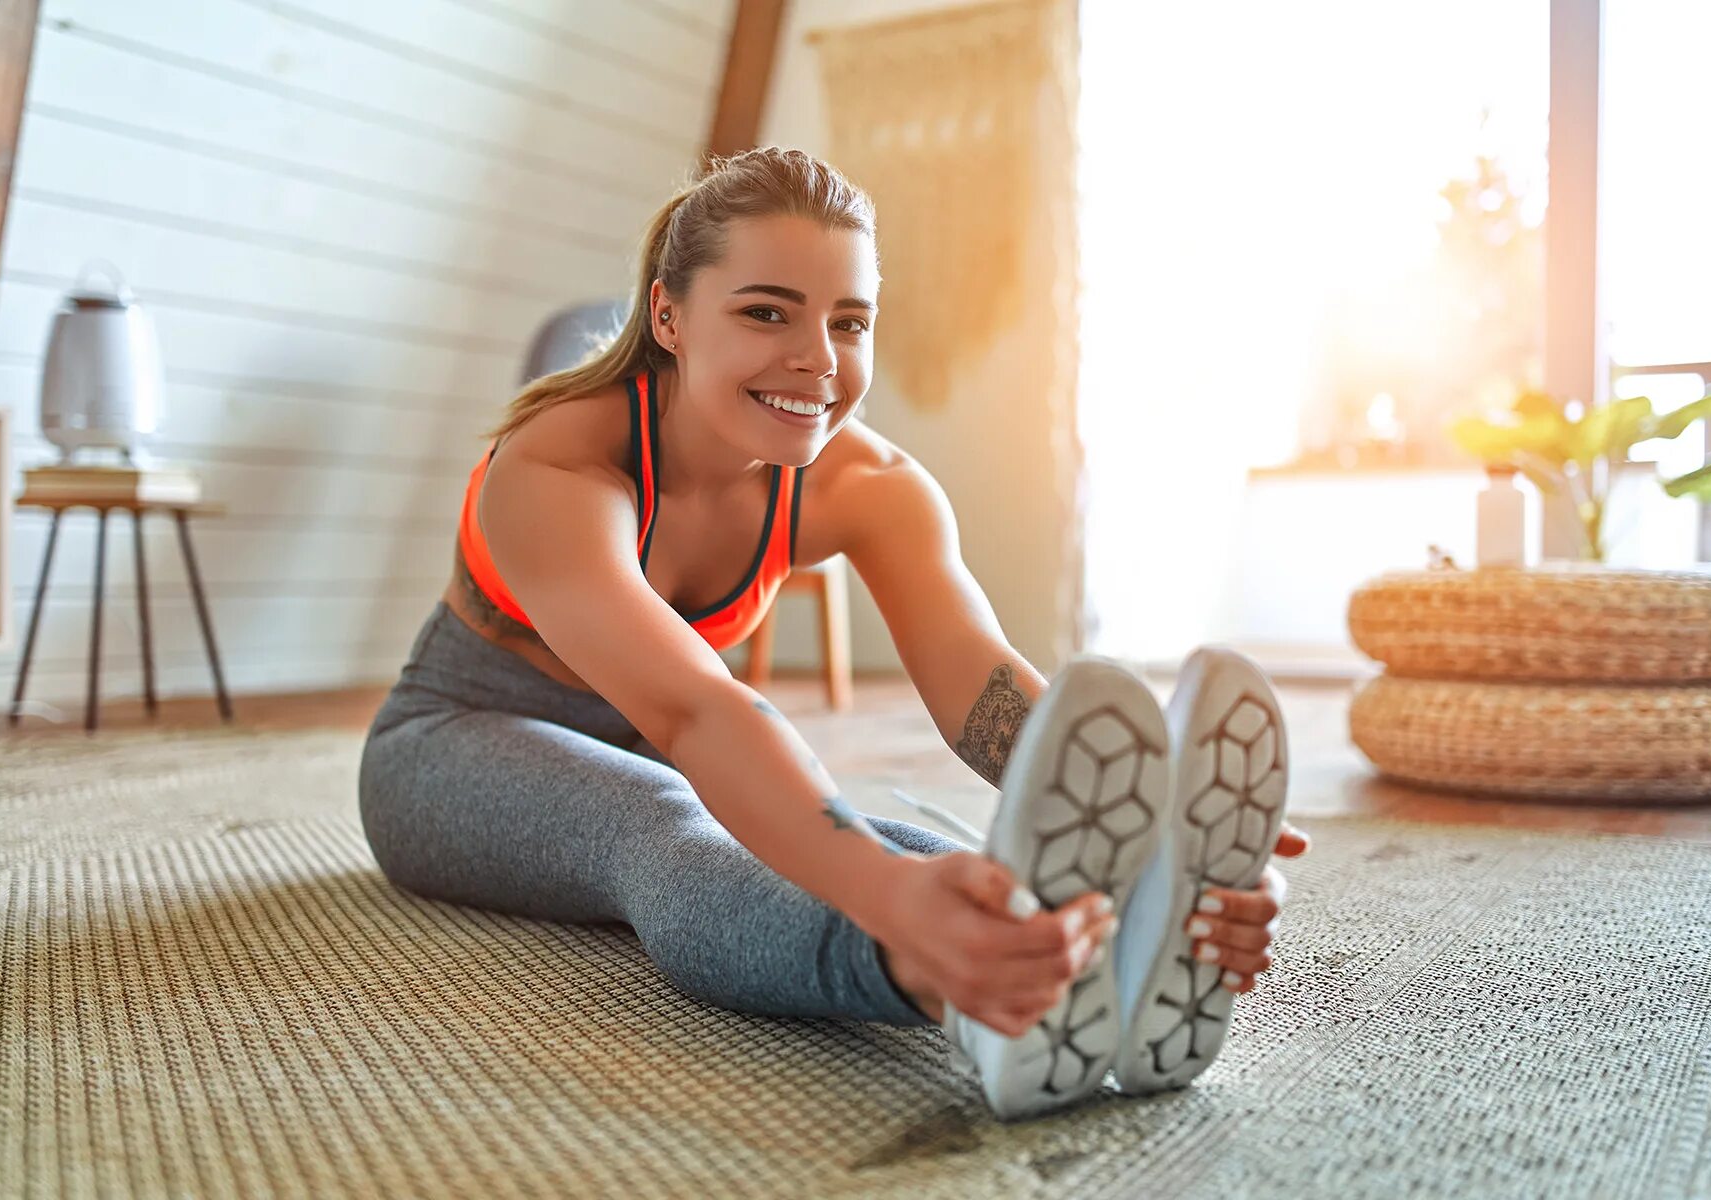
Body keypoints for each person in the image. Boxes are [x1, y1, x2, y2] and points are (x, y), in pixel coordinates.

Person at [358, 146, 1307, 1048]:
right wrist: (889, 904)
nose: (819, 359)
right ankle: (924, 972)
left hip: (657, 743)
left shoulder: (873, 486)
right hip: (453, 740)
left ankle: (1072, 926)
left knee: (821, 822)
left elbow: (980, 691)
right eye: (767, 313)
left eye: (848, 322)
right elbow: (698, 708)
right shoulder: (557, 462)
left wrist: (1151, 833)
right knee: (666, 822)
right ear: (669, 317)